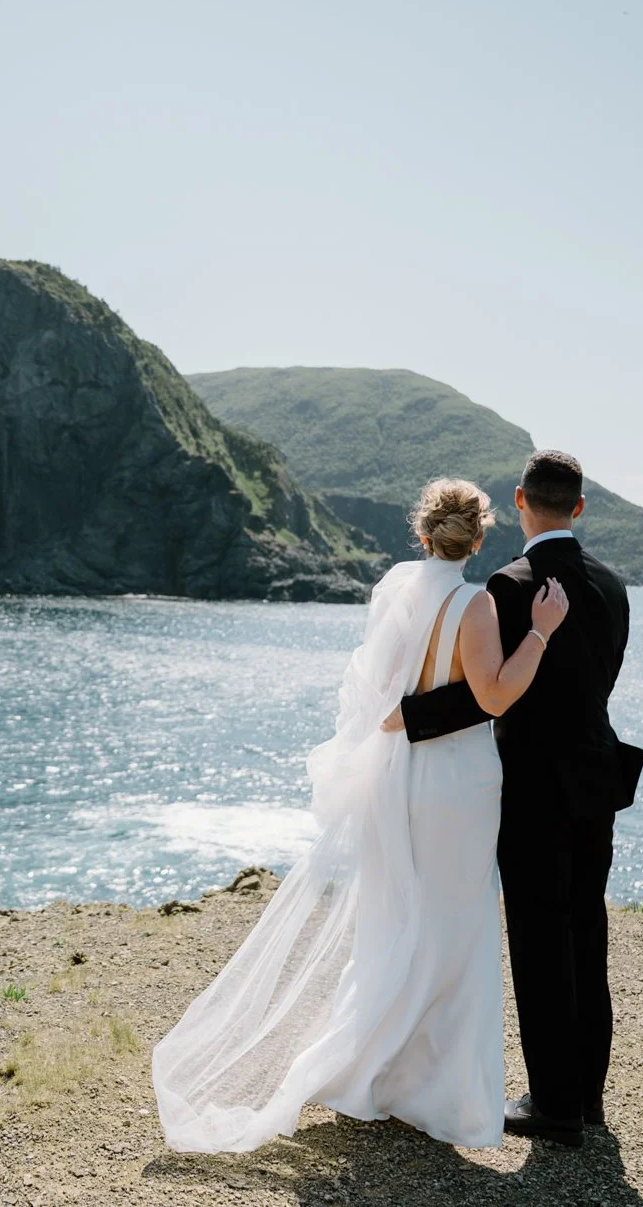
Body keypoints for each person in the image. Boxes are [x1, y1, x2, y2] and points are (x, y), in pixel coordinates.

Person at [152, 478, 570, 1152]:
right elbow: (493, 696)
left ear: (423, 533)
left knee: (396, 920)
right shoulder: (476, 604)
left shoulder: (395, 591)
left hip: (399, 774)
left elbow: (382, 700)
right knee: (454, 930)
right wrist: (541, 634)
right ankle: (436, 1091)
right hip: (459, 784)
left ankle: (372, 1071)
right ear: (480, 537)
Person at [392, 449, 643, 1149]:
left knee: (539, 939)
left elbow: (486, 694)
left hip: (533, 785)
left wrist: (402, 719)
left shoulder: (509, 584)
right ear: (581, 506)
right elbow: (596, 683)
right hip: (597, 778)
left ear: (521, 500)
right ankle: (588, 1096)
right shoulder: (614, 586)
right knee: (587, 933)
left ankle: (556, 1104)